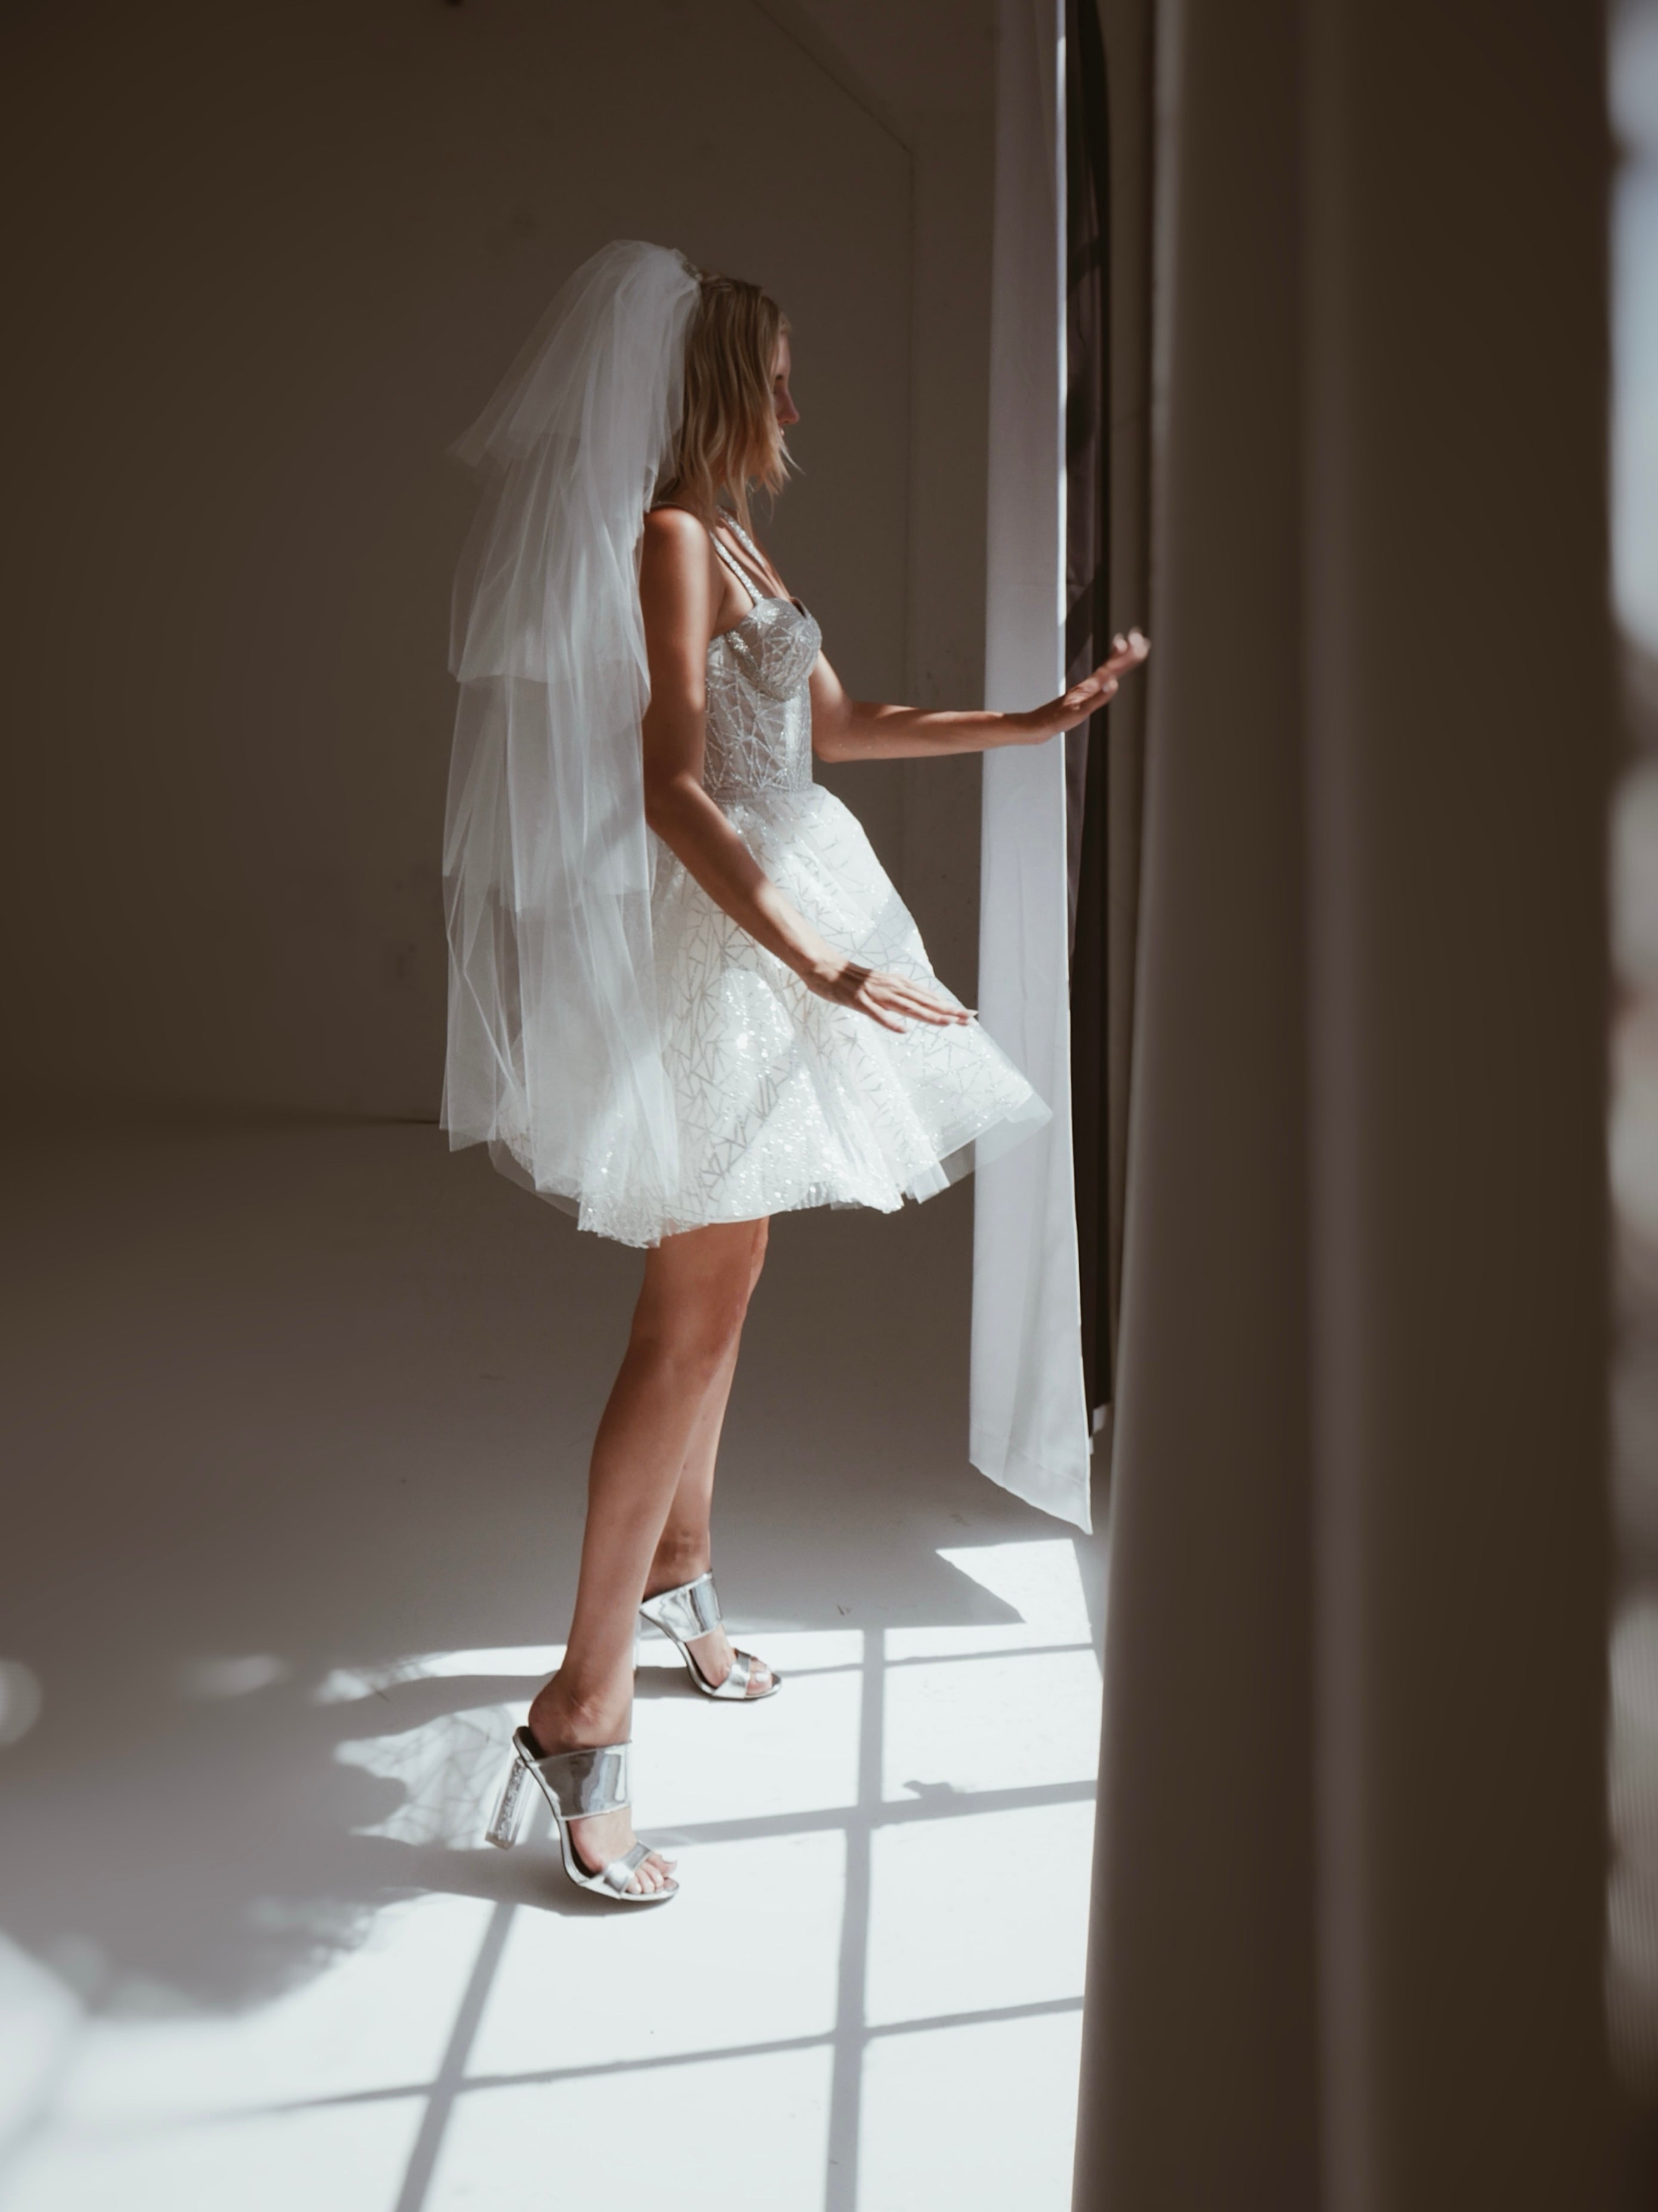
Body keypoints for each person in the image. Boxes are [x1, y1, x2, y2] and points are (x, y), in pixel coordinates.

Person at [445, 242, 1148, 1902]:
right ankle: (578, 1708)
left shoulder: (741, 538)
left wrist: (1028, 726)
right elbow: (676, 788)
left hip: (784, 909)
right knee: (685, 1317)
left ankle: (681, 1569)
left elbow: (831, 727)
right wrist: (814, 959)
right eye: (773, 379)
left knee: (731, 1283)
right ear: (712, 386)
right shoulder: (671, 542)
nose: (792, 407)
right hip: (735, 938)